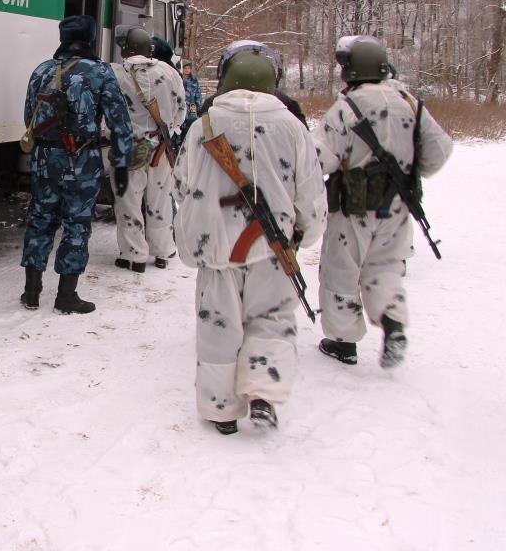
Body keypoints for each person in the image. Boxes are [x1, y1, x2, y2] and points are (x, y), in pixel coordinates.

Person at [172, 40, 326, 435]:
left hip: (216, 244)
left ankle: (222, 409)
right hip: (272, 247)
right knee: (270, 318)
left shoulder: (202, 126)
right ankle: (262, 393)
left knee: (218, 324)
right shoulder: (292, 126)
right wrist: (302, 234)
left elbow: (181, 186)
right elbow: (309, 193)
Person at [314, 35, 453, 369]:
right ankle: (392, 323)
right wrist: (409, 172)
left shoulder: (346, 108)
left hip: (354, 207)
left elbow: (320, 158)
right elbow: (439, 150)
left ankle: (343, 340)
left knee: (342, 270)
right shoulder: (410, 102)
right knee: (386, 266)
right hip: (397, 206)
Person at [20, 15, 133, 314]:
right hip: (82, 160)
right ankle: (66, 296)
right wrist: (120, 165)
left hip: (44, 158)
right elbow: (120, 123)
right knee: (76, 224)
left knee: (40, 218)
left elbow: (29, 116)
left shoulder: (41, 70)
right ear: (90, 39)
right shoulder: (100, 72)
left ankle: (31, 292)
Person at [109, 25, 185, 272]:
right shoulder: (170, 73)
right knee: (160, 199)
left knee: (129, 200)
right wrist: (168, 129)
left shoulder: (115, 73)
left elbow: (107, 112)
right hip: (161, 145)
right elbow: (182, 110)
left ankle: (134, 255)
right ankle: (162, 251)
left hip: (130, 146)